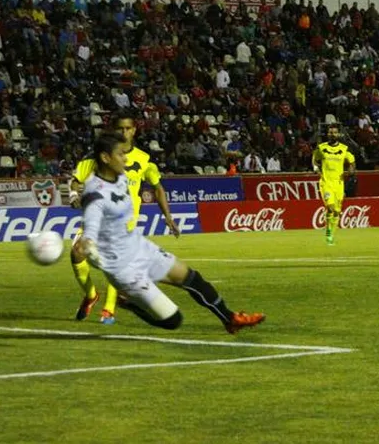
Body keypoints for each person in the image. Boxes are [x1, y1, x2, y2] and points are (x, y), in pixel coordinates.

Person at [74, 133, 265, 334]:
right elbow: (88, 239)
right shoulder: (95, 196)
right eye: (121, 154)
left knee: (192, 278)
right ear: (105, 158)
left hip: (138, 246)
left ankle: (230, 319)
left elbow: (154, 188)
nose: (126, 159)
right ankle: (128, 303)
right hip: (124, 269)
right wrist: (90, 250)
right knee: (174, 321)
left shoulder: (121, 176)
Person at [68, 112, 180, 325]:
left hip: (123, 223)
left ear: (134, 130)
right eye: (120, 129)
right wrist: (74, 195)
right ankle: (91, 295)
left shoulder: (144, 159)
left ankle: (109, 311)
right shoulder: (99, 158)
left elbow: (157, 188)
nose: (124, 132)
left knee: (114, 264)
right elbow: (76, 179)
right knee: (76, 255)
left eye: (128, 128)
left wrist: (168, 217)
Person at [312, 124, 356, 245]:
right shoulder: (321, 148)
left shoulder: (344, 149)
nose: (332, 134)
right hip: (326, 182)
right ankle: (328, 231)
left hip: (339, 184)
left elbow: (352, 161)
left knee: (337, 211)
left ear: (338, 134)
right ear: (327, 134)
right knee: (330, 208)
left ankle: (331, 234)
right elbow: (315, 158)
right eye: (330, 132)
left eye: (334, 132)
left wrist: (351, 170)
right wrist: (316, 167)